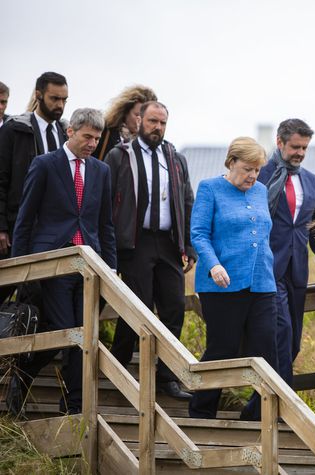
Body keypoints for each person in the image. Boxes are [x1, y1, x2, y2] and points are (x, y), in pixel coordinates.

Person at [6, 108, 116, 416]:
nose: (92, 143)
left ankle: (75, 408)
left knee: (84, 335)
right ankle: (23, 376)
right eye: (87, 137)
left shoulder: (100, 170)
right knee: (65, 330)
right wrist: (21, 268)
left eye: (96, 138)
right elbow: (25, 219)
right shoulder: (44, 165)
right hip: (53, 263)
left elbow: (104, 223)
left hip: (89, 266)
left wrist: (112, 266)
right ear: (71, 132)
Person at [104, 101, 195, 399]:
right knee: (136, 308)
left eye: (163, 123)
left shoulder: (176, 158)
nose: (157, 127)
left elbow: (186, 201)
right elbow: (107, 202)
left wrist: (189, 246)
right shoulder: (120, 155)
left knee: (173, 308)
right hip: (135, 242)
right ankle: (117, 370)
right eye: (153, 121)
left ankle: (167, 378)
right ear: (140, 120)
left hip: (169, 243)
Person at [188, 137, 277, 420]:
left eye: (257, 169)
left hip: (262, 281)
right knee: (222, 349)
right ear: (231, 163)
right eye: (247, 168)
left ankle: (258, 415)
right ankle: (201, 413)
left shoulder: (261, 190)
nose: (252, 175)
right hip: (221, 284)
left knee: (266, 347)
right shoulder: (210, 188)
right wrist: (213, 265)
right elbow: (199, 233)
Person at [257, 118, 315, 388]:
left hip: (298, 271)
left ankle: (255, 409)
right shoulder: (259, 175)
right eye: (295, 146)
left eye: (305, 148)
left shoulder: (312, 181)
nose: (300, 153)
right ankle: (285, 410)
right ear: (280, 142)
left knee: (293, 342)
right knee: (282, 333)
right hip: (267, 270)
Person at [0, 72, 69, 260]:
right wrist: (2, 227)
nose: (60, 105)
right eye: (54, 99)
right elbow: (1, 180)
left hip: (54, 230)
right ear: (38, 95)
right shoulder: (14, 129)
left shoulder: (65, 133)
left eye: (64, 100)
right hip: (18, 227)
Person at [94, 85, 157, 161]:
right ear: (125, 112)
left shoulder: (152, 142)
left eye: (146, 117)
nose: (141, 121)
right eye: (137, 115)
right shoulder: (104, 132)